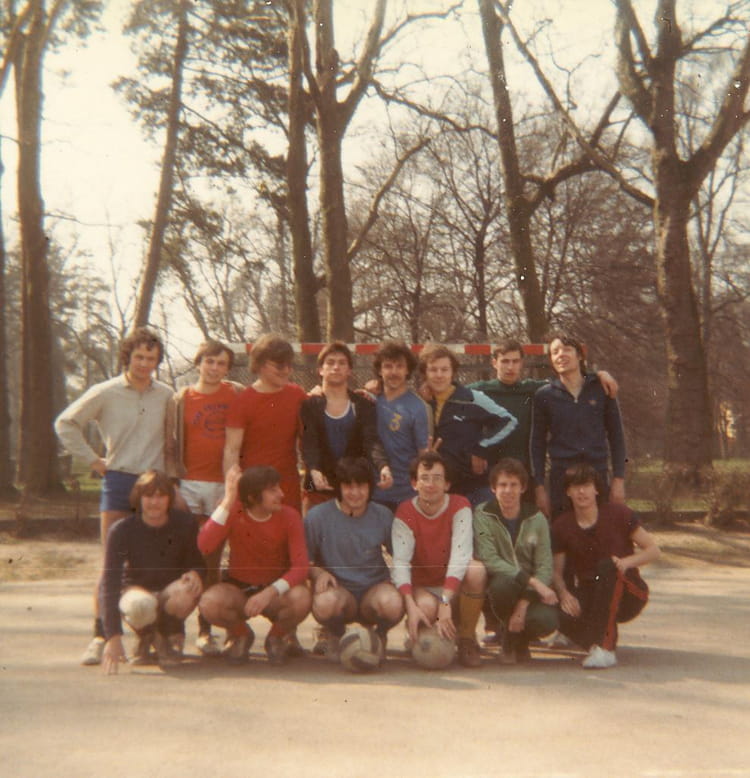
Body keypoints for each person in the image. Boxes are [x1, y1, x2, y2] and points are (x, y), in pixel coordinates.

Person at [55, 327, 173, 666]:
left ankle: (149, 634)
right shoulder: (105, 392)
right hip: (119, 479)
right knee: (111, 561)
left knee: (151, 561)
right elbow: (65, 423)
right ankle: (100, 634)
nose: (144, 364)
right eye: (139, 357)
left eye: (151, 358)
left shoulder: (166, 395)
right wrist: (93, 460)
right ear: (127, 357)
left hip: (155, 484)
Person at [164, 339, 242, 656]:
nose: (214, 369)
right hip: (190, 484)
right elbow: (170, 445)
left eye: (221, 363)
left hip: (222, 485)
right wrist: (173, 484)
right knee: (186, 555)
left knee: (212, 560)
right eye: (209, 362)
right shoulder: (181, 398)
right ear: (199, 363)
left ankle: (206, 630)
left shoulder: (235, 392)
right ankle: (174, 630)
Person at [197, 465, 311, 665]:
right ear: (252, 497)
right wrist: (228, 499)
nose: (281, 494)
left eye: (279, 488)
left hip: (275, 591)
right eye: (273, 490)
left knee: (302, 597)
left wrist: (269, 593)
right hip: (239, 588)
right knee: (210, 602)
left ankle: (276, 637)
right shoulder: (234, 512)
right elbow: (204, 546)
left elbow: (300, 567)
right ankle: (241, 634)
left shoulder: (290, 516)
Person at [551, 464, 660, 669]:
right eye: (575, 487)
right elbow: (557, 572)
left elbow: (653, 550)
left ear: (596, 489)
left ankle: (605, 649)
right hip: (592, 593)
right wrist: (565, 594)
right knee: (553, 610)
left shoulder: (618, 514)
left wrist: (626, 562)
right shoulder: (562, 525)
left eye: (586, 486)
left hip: (628, 591)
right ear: (568, 491)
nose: (581, 491)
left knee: (608, 566)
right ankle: (596, 642)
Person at [99, 470, 205, 674]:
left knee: (189, 590)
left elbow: (198, 563)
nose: (154, 502)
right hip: (138, 592)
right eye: (148, 495)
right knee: (140, 605)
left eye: (161, 495)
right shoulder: (122, 530)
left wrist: (196, 573)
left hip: (170, 593)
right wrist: (112, 637)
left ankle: (167, 637)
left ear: (170, 499)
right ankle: (145, 636)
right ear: (139, 498)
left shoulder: (185, 523)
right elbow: (109, 582)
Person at [469, 338, 618, 481]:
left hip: (526, 471)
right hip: (491, 470)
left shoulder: (536, 389)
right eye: (505, 361)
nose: (510, 367)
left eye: (515, 361)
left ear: (522, 363)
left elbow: (568, 380)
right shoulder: (480, 391)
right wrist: (475, 448)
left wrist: (598, 375)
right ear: (494, 363)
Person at [392, 452, 487, 667]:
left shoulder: (460, 505)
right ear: (414, 483)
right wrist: (410, 604)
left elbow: (461, 554)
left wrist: (445, 600)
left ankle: (466, 638)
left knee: (476, 569)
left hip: (451, 587)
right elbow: (400, 561)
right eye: (424, 478)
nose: (430, 484)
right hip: (423, 586)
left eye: (437, 478)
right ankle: (418, 635)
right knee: (425, 608)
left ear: (447, 484)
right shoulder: (405, 511)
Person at [304, 457, 403, 660]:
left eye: (361, 486)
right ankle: (337, 635)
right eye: (348, 486)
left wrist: (395, 578)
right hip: (339, 590)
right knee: (325, 603)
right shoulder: (317, 517)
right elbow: (303, 560)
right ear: (339, 487)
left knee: (392, 602)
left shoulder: (383, 515)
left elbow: (401, 556)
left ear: (370, 487)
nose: (355, 493)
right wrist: (318, 572)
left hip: (373, 589)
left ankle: (378, 637)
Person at [531, 333, 626, 520]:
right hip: (562, 477)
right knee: (563, 535)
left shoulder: (601, 389)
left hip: (597, 473)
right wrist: (540, 487)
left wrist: (618, 479)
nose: (561, 355)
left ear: (580, 355)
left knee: (600, 533)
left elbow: (617, 437)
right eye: (555, 352)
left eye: (566, 350)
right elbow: (537, 444)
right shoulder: (544, 396)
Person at [473, 458, 559, 663]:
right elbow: (490, 558)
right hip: (500, 587)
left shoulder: (536, 518)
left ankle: (517, 640)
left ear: (523, 488)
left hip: (529, 594)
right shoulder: (483, 513)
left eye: (514, 485)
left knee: (549, 620)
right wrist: (532, 581)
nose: (508, 490)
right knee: (503, 583)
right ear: (493, 488)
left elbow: (545, 566)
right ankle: (507, 634)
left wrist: (523, 605)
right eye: (502, 485)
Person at [418, 343, 517, 506]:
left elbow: (508, 421)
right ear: (425, 373)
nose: (439, 375)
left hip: (475, 487)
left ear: (453, 372)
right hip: (439, 489)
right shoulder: (420, 401)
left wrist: (481, 448)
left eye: (444, 369)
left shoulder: (472, 398)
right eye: (433, 370)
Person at [300, 341, 392, 510]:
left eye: (342, 363)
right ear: (320, 369)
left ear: (349, 370)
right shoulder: (309, 404)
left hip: (353, 489)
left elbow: (371, 441)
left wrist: (383, 466)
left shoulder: (363, 404)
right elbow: (309, 443)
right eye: (330, 362)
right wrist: (313, 469)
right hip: (319, 488)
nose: (336, 367)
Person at [223, 334, 306, 512]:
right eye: (279, 365)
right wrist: (232, 491)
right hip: (254, 488)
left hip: (287, 485)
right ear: (260, 363)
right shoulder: (242, 402)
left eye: (290, 365)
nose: (287, 370)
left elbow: (310, 436)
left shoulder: (297, 395)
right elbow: (231, 450)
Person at [371, 340, 431, 511]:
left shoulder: (418, 407)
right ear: (380, 371)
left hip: (405, 495)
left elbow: (422, 455)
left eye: (399, 366)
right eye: (388, 366)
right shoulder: (369, 401)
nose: (394, 372)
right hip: (372, 493)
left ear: (407, 370)